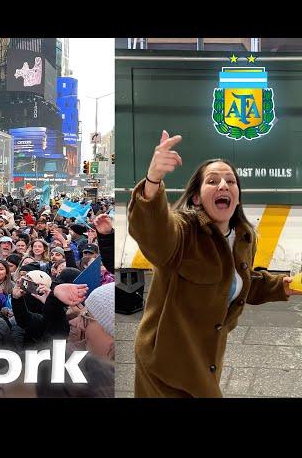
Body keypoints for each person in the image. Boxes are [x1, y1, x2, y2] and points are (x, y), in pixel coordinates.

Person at [129, 130, 302, 398]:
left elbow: (237, 282)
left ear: (238, 196)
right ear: (197, 198)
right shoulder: (183, 232)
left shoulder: (244, 237)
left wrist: (283, 286)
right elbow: (155, 234)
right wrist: (153, 182)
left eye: (230, 181)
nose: (223, 185)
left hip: (206, 361)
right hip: (166, 365)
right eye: (212, 181)